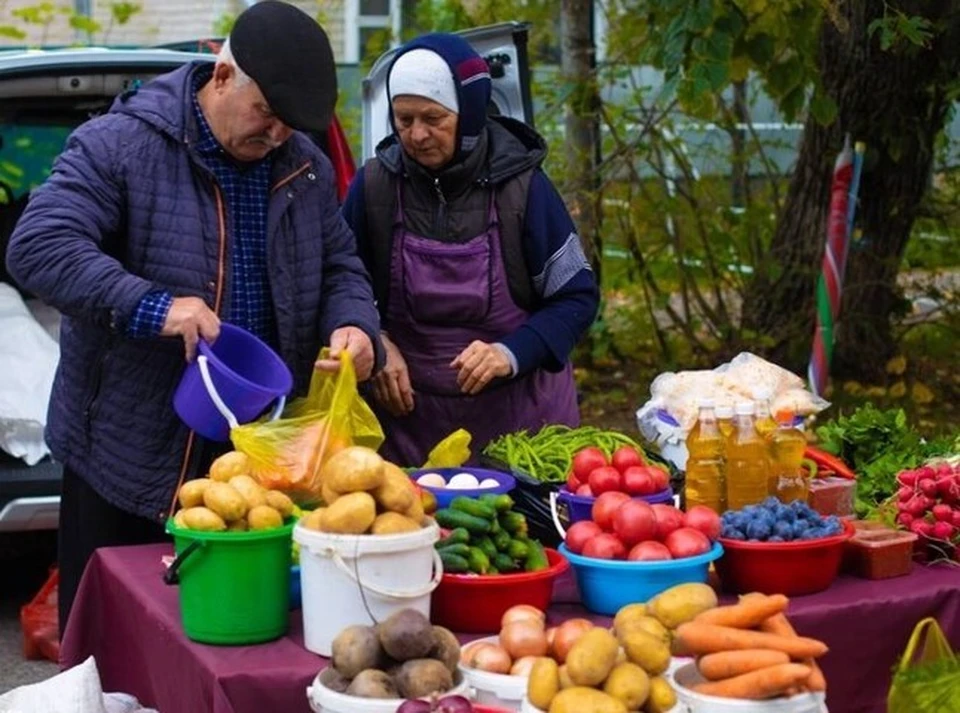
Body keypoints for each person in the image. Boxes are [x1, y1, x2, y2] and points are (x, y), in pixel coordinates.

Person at [5, 1, 382, 634]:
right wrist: (155, 306)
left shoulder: (305, 167)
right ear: (223, 74)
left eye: (290, 124)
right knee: (112, 651)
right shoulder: (120, 145)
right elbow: (39, 246)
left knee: (232, 640)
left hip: (256, 453)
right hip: (126, 455)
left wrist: (354, 324)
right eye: (266, 114)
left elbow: (342, 265)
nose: (277, 135)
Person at [342, 33, 599, 467]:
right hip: (408, 432)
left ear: (470, 114)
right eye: (403, 120)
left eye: (433, 118)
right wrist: (375, 340)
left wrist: (511, 352)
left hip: (520, 432)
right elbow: (339, 282)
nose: (417, 135)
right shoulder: (374, 188)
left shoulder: (526, 190)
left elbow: (577, 297)